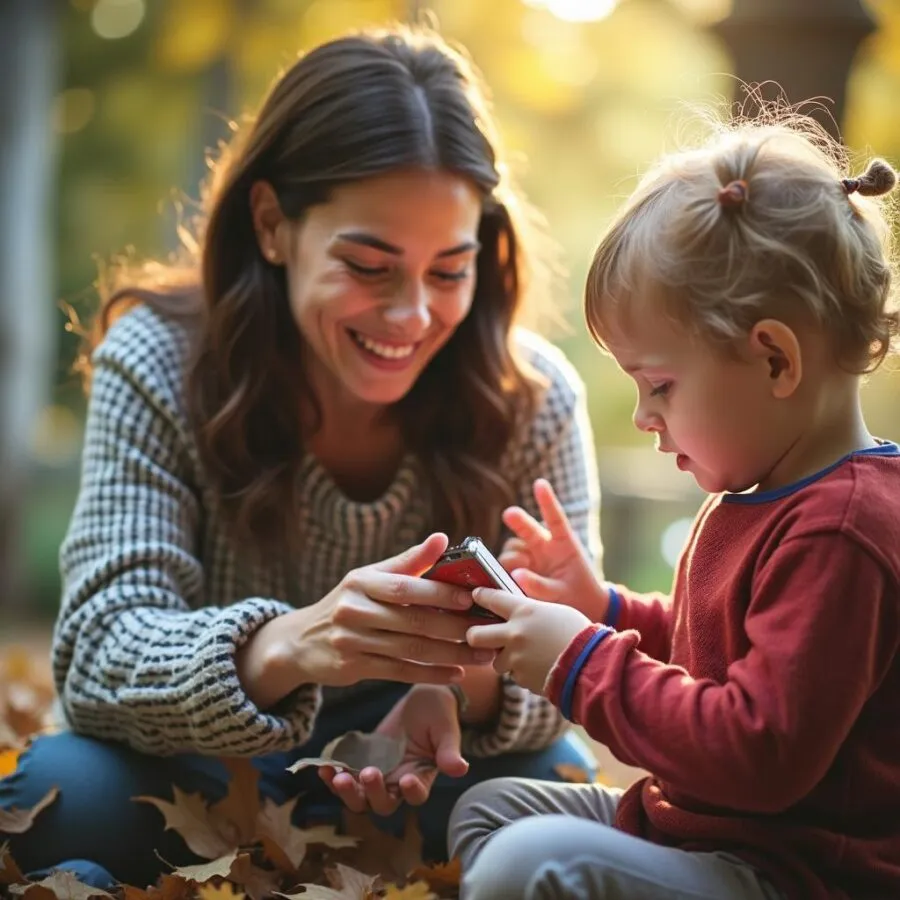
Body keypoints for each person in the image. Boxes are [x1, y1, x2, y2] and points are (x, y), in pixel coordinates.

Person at [0, 25, 603, 888]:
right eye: (369, 265)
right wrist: (293, 645)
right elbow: (99, 652)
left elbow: (569, 666)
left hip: (431, 770)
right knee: (57, 801)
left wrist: (453, 687)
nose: (411, 316)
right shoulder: (159, 363)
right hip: (202, 765)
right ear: (273, 224)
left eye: (448, 272)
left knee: (564, 800)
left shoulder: (533, 397)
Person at [448, 112, 900, 900]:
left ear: (773, 358)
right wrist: (603, 606)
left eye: (659, 384)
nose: (643, 416)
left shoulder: (843, 528)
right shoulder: (764, 491)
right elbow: (715, 654)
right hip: (708, 837)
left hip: (792, 872)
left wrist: (576, 659)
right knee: (490, 810)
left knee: (532, 864)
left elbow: (758, 753)